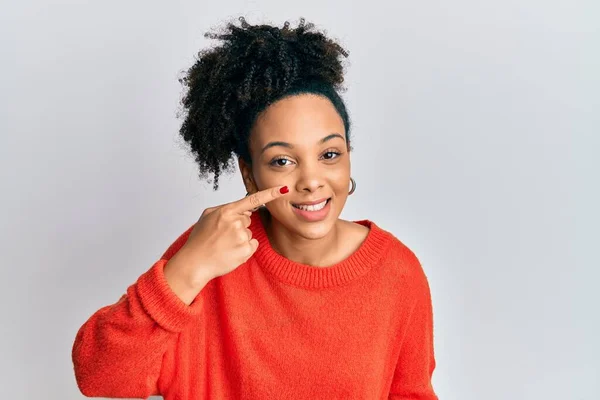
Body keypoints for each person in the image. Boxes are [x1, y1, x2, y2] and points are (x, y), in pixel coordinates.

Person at [72, 16, 438, 400]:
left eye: (329, 154)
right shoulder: (209, 257)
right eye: (282, 160)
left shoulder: (397, 272)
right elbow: (100, 377)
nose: (312, 180)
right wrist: (189, 268)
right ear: (249, 175)